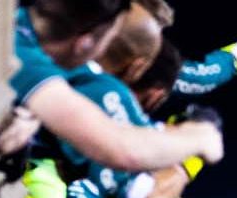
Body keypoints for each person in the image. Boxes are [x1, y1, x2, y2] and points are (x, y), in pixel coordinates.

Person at [11, 0, 221, 176]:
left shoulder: (13, 27)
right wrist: (200, 136)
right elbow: (124, 149)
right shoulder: (24, 60)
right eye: (110, 40)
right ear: (86, 41)